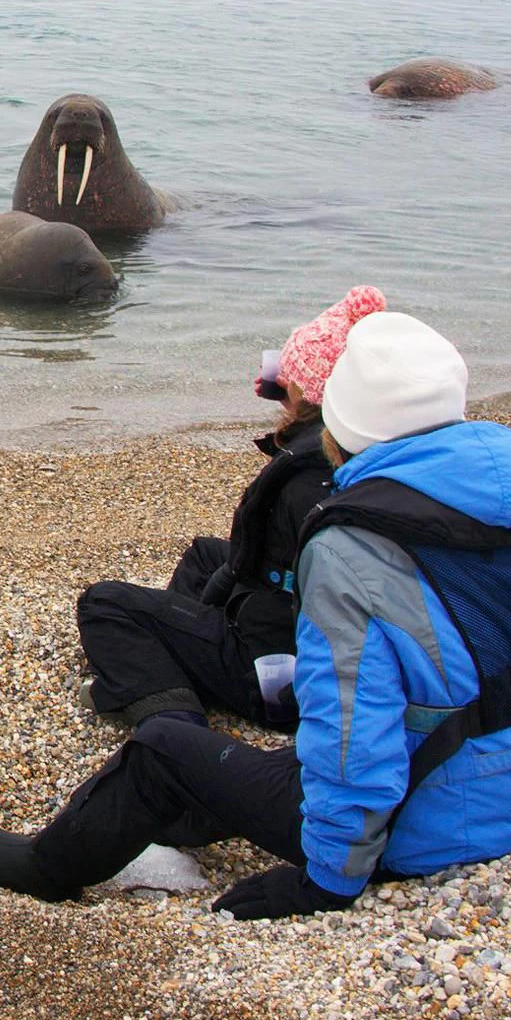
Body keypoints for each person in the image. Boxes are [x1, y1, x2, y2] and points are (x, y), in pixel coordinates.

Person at [0, 313, 511, 919]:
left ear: (338, 418)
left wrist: (329, 878)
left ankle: (46, 867)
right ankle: (196, 795)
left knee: (163, 748)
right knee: (233, 753)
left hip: (428, 820)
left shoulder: (350, 549)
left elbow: (354, 732)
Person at [76, 286, 387, 730]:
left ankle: (167, 707)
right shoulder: (353, 445)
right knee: (206, 553)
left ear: (309, 391)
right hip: (281, 615)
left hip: (276, 674)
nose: (281, 378)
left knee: (102, 603)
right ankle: (171, 657)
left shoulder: (307, 483)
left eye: (291, 375)